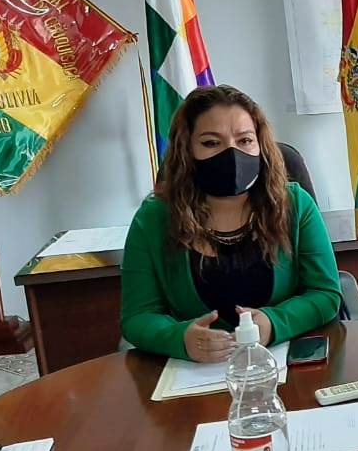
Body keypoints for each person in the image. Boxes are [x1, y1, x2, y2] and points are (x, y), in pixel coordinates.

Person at [121, 85, 341, 361]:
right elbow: (138, 316)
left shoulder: (294, 205)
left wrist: (274, 323)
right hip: (193, 374)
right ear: (186, 150)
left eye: (245, 140)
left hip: (284, 365)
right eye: (211, 143)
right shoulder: (153, 219)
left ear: (261, 146)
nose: (232, 153)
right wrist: (181, 339)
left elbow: (325, 294)